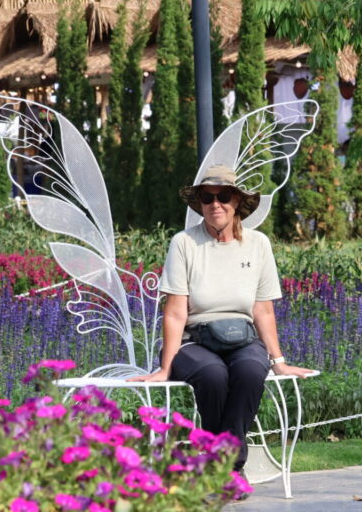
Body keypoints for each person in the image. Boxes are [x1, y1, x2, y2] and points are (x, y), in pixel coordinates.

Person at [128, 165, 313, 475]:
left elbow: (263, 311)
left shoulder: (257, 244)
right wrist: (165, 368)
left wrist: (279, 362)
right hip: (195, 341)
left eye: (223, 196)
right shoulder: (184, 243)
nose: (215, 204)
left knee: (251, 371)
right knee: (212, 376)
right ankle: (228, 467)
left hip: (242, 338)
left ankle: (222, 465)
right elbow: (175, 312)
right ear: (199, 203)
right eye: (207, 198)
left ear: (236, 201)